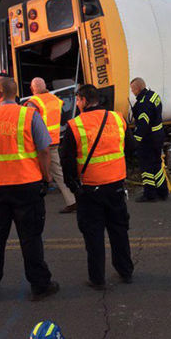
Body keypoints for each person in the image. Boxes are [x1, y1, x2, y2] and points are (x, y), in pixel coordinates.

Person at [0, 77, 59, 302]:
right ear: (15, 94)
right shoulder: (29, 115)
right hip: (26, 186)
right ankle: (40, 285)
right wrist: (46, 176)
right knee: (31, 237)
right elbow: (44, 150)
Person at [62, 84, 134, 289]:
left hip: (90, 188)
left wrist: (72, 185)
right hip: (116, 184)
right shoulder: (117, 118)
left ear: (84, 100)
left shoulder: (75, 125)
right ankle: (125, 271)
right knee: (119, 229)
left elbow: (66, 160)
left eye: (77, 100)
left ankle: (97, 278)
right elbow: (130, 147)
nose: (76, 103)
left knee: (93, 234)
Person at [25, 77, 75, 214]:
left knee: (49, 172)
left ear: (32, 89)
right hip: (54, 139)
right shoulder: (55, 99)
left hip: (40, 143)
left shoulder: (34, 103)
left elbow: (29, 123)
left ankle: (73, 200)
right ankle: (73, 199)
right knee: (56, 171)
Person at [129, 78, 167, 202]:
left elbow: (143, 125)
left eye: (132, 89)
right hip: (158, 135)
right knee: (157, 164)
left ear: (137, 89)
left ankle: (149, 193)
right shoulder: (153, 95)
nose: (132, 92)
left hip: (148, 139)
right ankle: (162, 191)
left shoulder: (143, 104)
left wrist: (136, 141)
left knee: (146, 166)